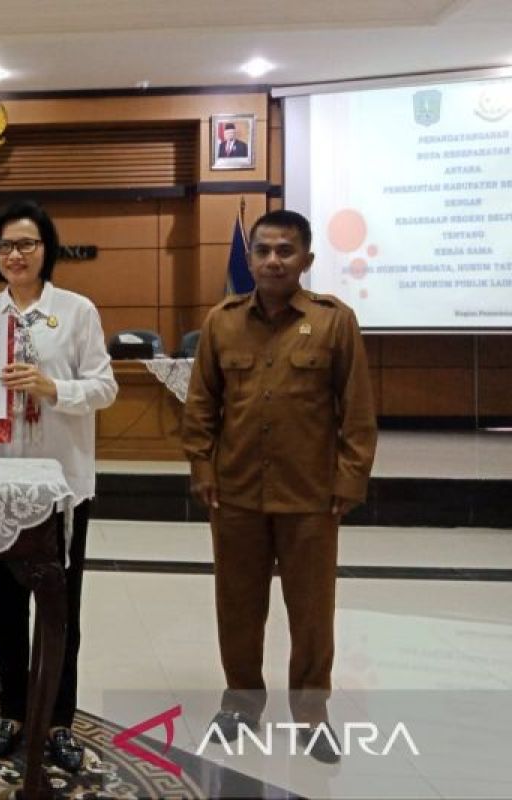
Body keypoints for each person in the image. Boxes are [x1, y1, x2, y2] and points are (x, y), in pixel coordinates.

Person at [181, 209, 377, 764]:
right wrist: (202, 468)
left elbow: (357, 411)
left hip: (310, 495)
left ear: (306, 260)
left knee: (312, 614)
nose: (272, 260)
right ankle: (241, 703)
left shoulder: (335, 321)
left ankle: (312, 716)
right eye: (263, 250)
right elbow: (201, 404)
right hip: (237, 492)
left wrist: (349, 479)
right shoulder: (222, 322)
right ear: (250, 258)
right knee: (237, 607)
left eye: (285, 250)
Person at [0, 200, 118, 772]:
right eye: (5, 245)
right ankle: (10, 712)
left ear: (46, 248)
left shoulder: (76, 312)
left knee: (60, 611)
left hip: (60, 488)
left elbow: (104, 388)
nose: (16, 254)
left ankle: (58, 722)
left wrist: (51, 387)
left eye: (27, 244)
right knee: (2, 609)